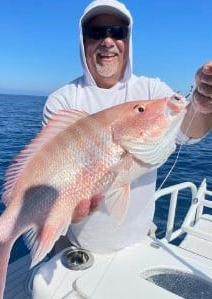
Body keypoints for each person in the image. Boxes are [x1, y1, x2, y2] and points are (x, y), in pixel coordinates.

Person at [43, 0, 212, 253]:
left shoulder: (151, 90)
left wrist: (203, 104)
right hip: (77, 245)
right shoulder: (63, 101)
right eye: (96, 33)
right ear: (83, 40)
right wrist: (66, 213)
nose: (107, 41)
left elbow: (189, 133)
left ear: (128, 39)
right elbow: (51, 177)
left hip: (140, 242)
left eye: (117, 31)